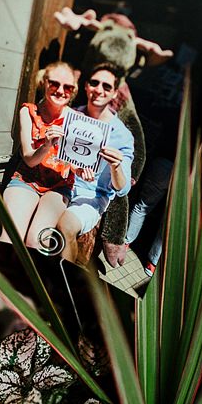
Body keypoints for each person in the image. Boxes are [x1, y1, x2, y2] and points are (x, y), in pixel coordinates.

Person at [0, 61, 88, 252]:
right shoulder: (29, 112)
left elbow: (74, 162)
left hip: (58, 186)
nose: (60, 91)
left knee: (37, 242)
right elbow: (29, 160)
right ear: (43, 82)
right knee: (10, 237)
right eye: (54, 83)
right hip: (27, 180)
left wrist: (82, 170)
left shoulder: (77, 119)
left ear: (73, 91)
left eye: (68, 87)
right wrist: (47, 145)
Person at [55, 62, 135, 264]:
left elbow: (123, 189)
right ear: (86, 86)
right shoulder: (71, 115)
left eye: (106, 86)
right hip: (60, 183)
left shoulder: (122, 136)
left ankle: (64, 279)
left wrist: (115, 166)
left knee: (66, 226)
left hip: (92, 196)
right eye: (94, 83)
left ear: (114, 93)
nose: (99, 90)